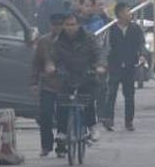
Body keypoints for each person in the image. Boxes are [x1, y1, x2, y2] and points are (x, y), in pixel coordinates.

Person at [50, 11, 106, 144]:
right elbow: (54, 58)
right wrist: (54, 68)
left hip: (86, 74)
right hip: (67, 75)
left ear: (78, 25)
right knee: (62, 102)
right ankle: (62, 131)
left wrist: (99, 66)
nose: (70, 27)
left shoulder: (89, 38)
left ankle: (92, 127)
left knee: (87, 101)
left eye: (73, 24)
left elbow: (98, 53)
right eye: (67, 25)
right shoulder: (58, 41)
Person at [102, 2, 145, 132]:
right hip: (114, 65)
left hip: (130, 65)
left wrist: (142, 55)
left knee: (129, 94)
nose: (130, 14)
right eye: (127, 11)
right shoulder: (111, 28)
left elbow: (141, 44)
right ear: (120, 13)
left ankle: (129, 121)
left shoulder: (135, 28)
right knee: (111, 93)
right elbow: (106, 46)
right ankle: (109, 119)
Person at [30, 12, 67, 157]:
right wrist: (33, 82)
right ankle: (46, 145)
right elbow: (36, 63)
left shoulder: (69, 41)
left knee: (63, 115)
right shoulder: (43, 41)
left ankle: (62, 147)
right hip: (47, 84)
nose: (57, 28)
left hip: (65, 83)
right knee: (45, 115)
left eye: (60, 25)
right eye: (55, 25)